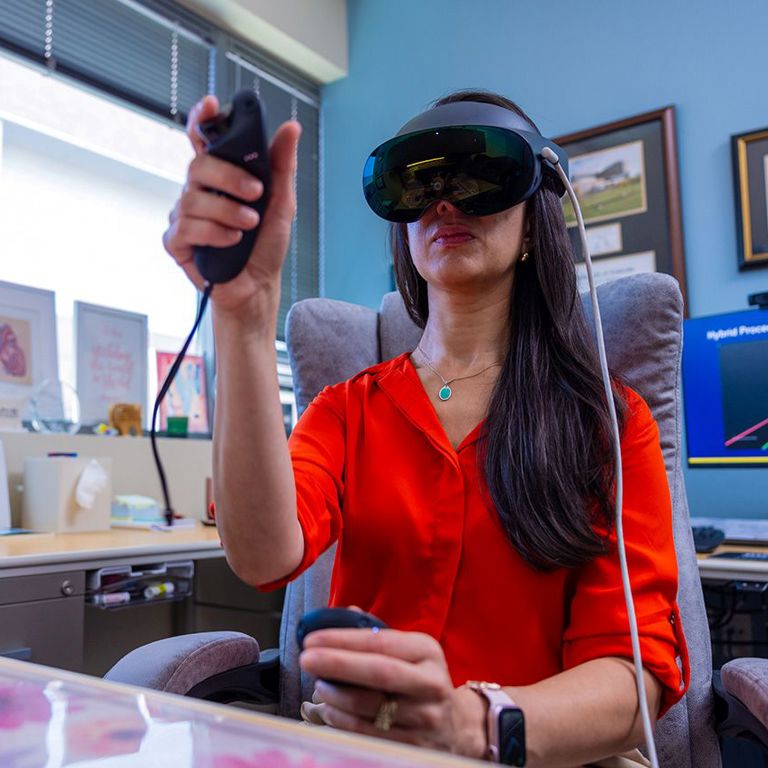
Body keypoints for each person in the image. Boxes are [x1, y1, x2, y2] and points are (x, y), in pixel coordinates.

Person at [163, 89, 689, 768]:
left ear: (535, 220)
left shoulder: (606, 424)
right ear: (402, 227)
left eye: (479, 175)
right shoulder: (348, 410)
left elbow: (631, 681)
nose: (444, 202)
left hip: (545, 752)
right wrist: (245, 313)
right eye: (419, 183)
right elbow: (262, 556)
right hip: (366, 748)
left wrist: (472, 723)